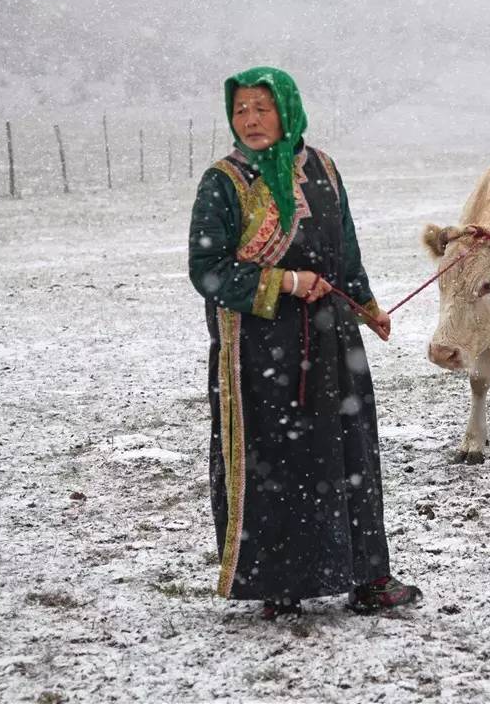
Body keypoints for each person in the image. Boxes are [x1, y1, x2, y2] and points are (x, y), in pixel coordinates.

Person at [188, 66, 421, 620]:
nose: (250, 119)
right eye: (241, 109)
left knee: (348, 454)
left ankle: (367, 577)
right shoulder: (223, 181)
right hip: (257, 348)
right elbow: (207, 269)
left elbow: (345, 251)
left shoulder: (323, 168)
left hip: (331, 338)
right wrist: (286, 283)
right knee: (277, 461)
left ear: (286, 111)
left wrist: (367, 305)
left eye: (261, 108)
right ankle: (281, 584)